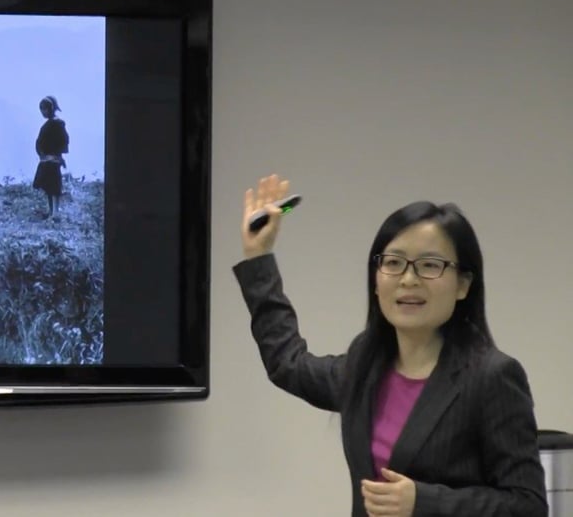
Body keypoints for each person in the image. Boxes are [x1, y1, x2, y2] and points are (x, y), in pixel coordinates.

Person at [232, 174, 547, 517]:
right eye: (393, 263)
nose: (408, 279)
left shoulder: (492, 377)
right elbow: (287, 364)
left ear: (463, 284)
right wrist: (259, 257)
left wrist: (423, 502)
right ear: (377, 278)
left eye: (429, 265)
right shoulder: (365, 363)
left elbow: (527, 505)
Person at [32, 95, 69, 219]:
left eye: (44, 109)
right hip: (46, 159)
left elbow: (63, 141)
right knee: (48, 185)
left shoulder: (57, 124)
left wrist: (57, 155)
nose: (43, 112)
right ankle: (51, 210)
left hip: (53, 159)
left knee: (54, 186)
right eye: (41, 109)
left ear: (51, 109)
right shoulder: (49, 124)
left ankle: (55, 212)